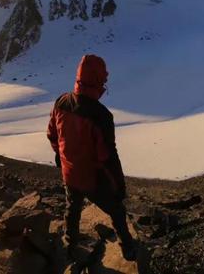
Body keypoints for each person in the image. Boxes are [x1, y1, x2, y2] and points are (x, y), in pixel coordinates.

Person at [47, 54, 136, 261]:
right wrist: (118, 187)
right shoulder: (101, 116)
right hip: (93, 180)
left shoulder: (62, 102)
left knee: (73, 208)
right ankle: (128, 247)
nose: (105, 82)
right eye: (103, 79)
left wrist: (61, 157)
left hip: (70, 173)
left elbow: (52, 134)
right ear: (97, 80)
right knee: (116, 210)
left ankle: (70, 246)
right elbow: (107, 157)